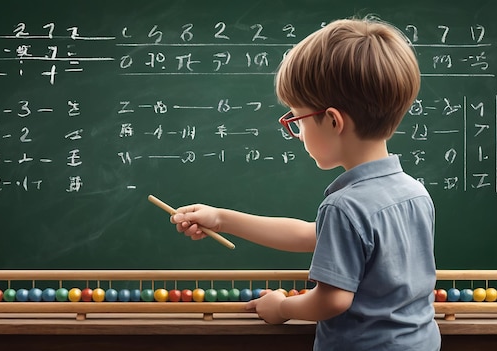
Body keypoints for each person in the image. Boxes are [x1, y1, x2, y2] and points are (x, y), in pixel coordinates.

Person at [170, 16, 440, 351]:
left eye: (297, 119)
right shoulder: (414, 192)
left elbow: (333, 300)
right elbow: (312, 235)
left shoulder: (344, 206)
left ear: (332, 120)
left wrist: (280, 307)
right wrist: (222, 219)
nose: (297, 134)